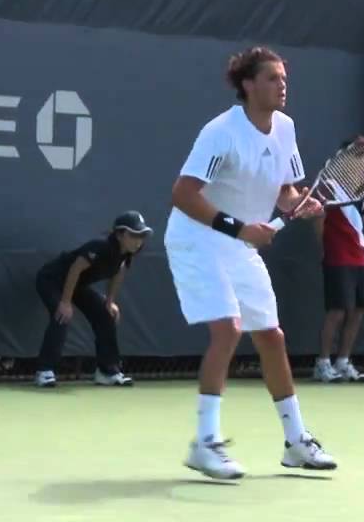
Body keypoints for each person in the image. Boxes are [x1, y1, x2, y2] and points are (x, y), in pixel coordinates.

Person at [165, 45, 337, 480]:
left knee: (272, 337)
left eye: (284, 79)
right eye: (273, 79)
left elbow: (287, 191)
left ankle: (296, 441)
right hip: (197, 238)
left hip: (239, 245)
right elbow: (183, 195)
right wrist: (240, 228)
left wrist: (302, 203)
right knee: (228, 329)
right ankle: (204, 443)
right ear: (247, 85)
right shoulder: (221, 131)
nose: (283, 86)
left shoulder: (286, 128)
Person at [33, 211, 152, 388]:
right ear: (119, 234)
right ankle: (44, 371)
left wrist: (110, 302)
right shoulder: (101, 247)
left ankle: (106, 372)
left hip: (77, 286)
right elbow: (75, 269)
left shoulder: (126, 254)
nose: (138, 240)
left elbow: (118, 275)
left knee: (105, 315)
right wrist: (65, 302)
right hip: (52, 280)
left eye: (141, 235)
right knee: (62, 316)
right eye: (133, 235)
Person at [312, 138, 364, 384]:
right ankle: (323, 364)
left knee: (358, 311)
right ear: (345, 157)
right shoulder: (328, 185)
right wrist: (324, 246)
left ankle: (343, 361)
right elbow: (317, 217)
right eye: (360, 155)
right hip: (337, 256)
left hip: (361, 256)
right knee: (336, 311)